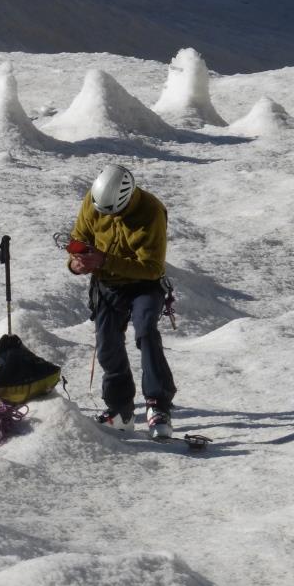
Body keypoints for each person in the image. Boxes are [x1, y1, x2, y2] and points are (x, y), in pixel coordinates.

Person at [67, 164, 176, 439]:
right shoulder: (93, 202)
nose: (106, 216)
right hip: (107, 285)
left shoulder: (151, 211)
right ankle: (121, 409)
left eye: (113, 212)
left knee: (146, 332)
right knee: (107, 344)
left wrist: (103, 260)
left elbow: (152, 267)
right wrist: (76, 263)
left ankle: (158, 405)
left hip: (145, 285)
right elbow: (79, 238)